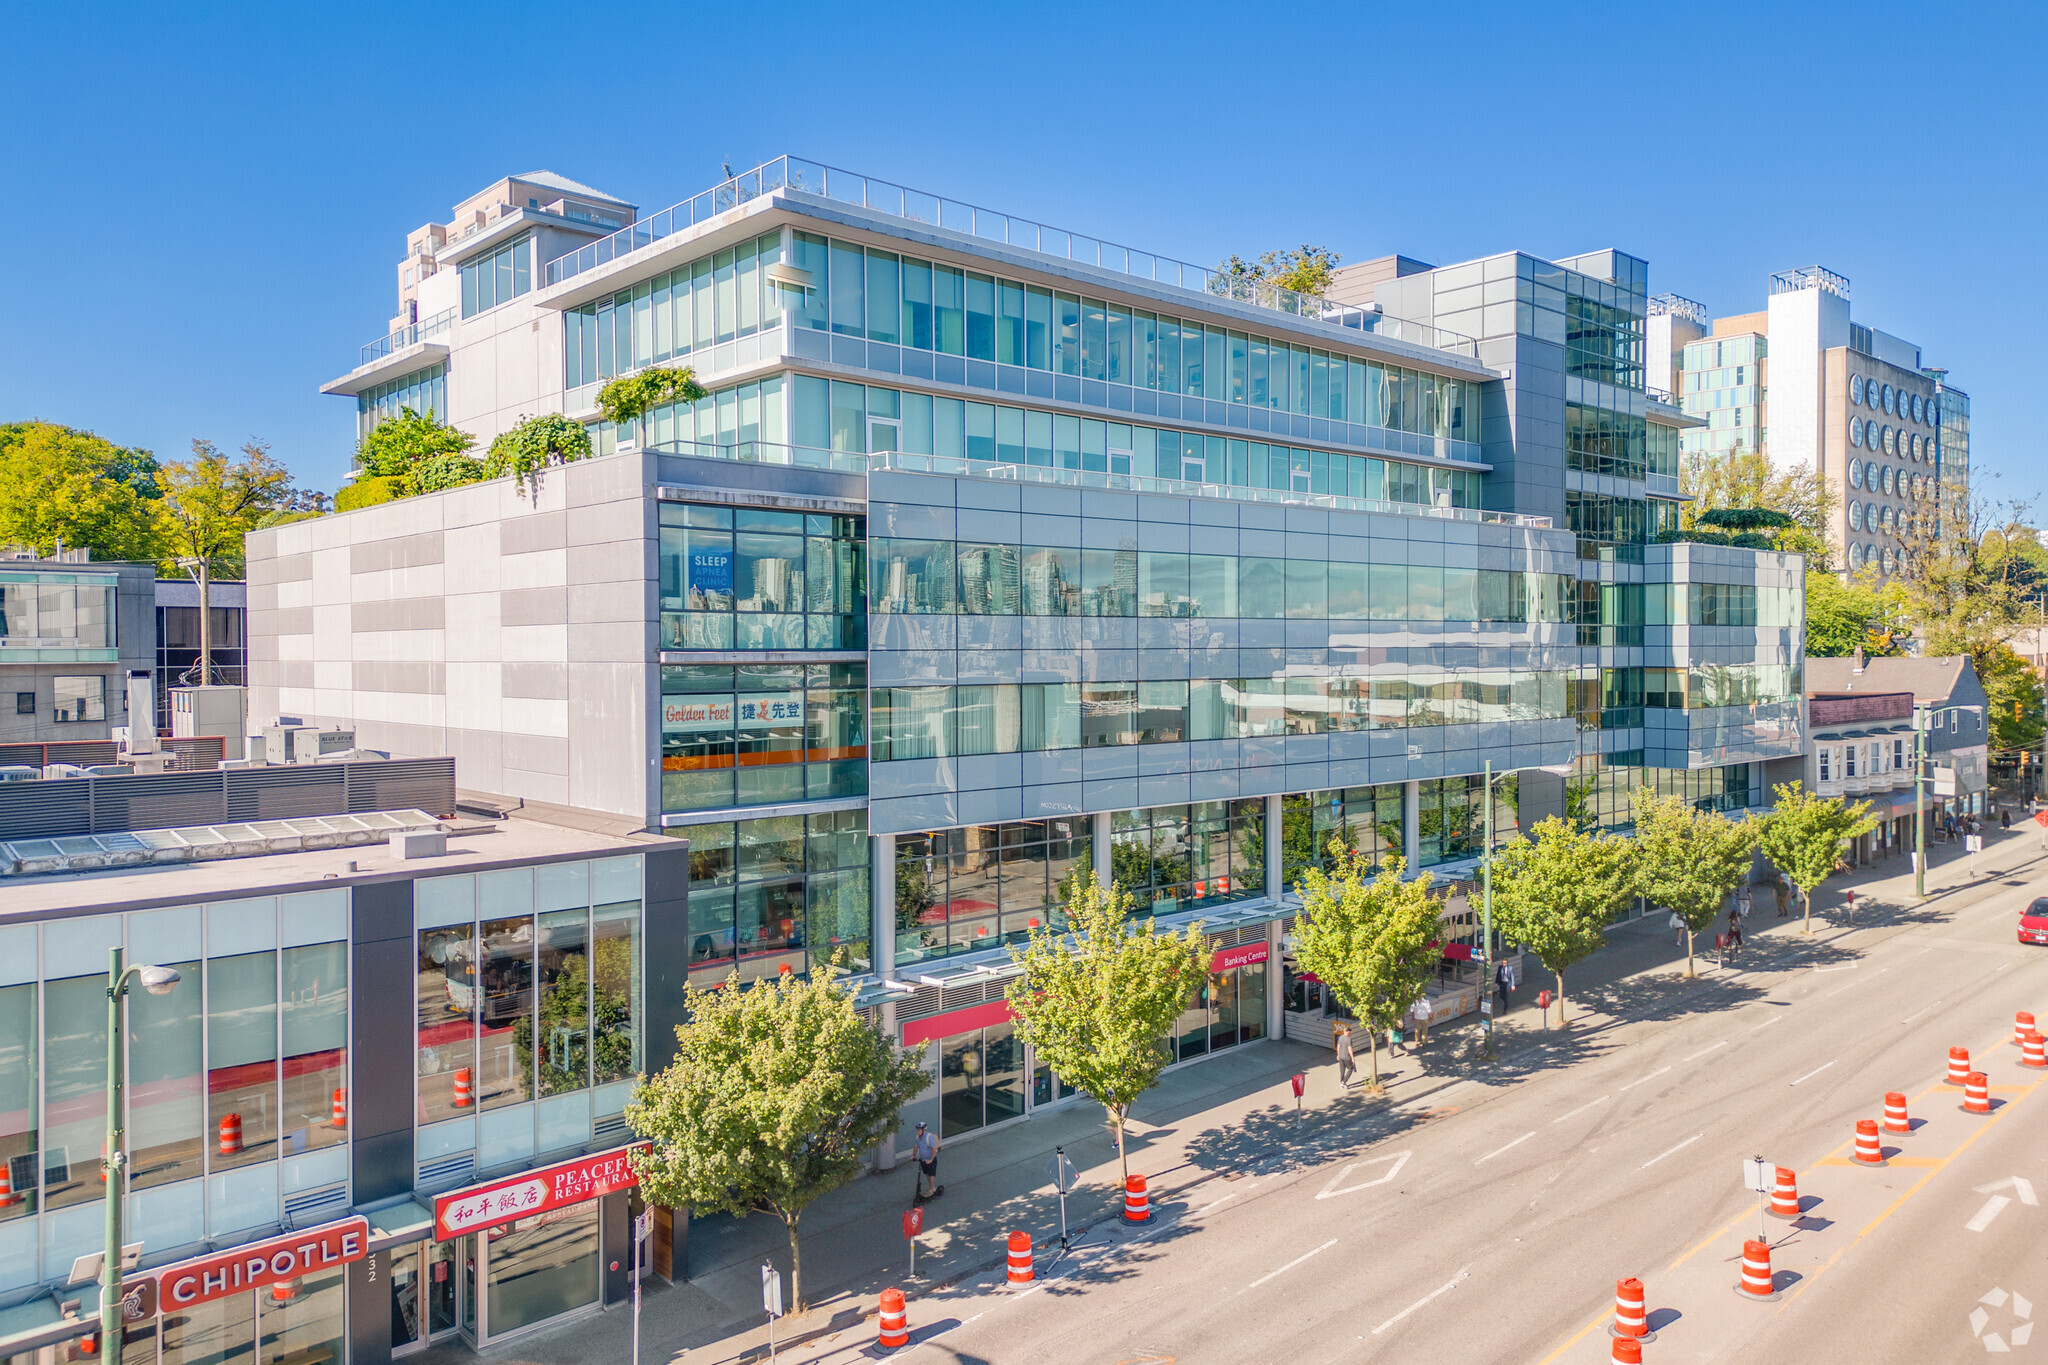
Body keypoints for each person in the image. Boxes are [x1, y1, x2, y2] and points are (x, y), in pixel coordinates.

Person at [913, 1121, 941, 1200]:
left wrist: (931, 1159)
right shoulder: (918, 1137)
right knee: (927, 1174)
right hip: (923, 1159)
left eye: (919, 1130)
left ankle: (931, 1189)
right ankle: (932, 1187)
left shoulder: (929, 1137)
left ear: (923, 1130)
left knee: (932, 1174)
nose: (917, 1131)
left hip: (931, 1159)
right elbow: (916, 1146)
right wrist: (913, 1155)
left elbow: (934, 1149)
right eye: (917, 1130)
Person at [1334, 1022, 1357, 1089]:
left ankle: (1341, 1082)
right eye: (1349, 1031)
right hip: (1346, 1057)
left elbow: (1338, 1047)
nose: (1350, 1032)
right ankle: (1343, 1082)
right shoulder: (1349, 1039)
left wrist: (1338, 1054)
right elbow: (1350, 1049)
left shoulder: (1340, 1037)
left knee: (1342, 1070)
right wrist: (1352, 1058)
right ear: (1347, 1032)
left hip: (1341, 1056)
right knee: (1350, 1069)